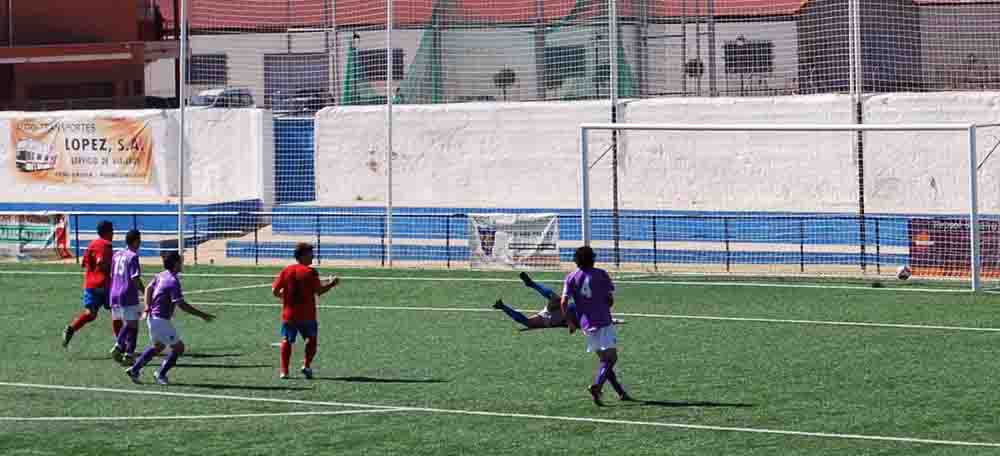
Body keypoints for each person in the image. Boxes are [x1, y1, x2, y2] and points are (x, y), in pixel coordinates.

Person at [125, 251, 215, 385]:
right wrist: (202, 315)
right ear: (175, 264)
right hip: (161, 321)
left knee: (158, 347)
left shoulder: (161, 275)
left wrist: (147, 307)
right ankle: (160, 374)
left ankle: (134, 370)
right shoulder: (173, 281)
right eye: (180, 261)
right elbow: (182, 305)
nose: (182, 264)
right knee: (179, 348)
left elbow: (148, 288)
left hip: (152, 318)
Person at [561, 246, 632, 405]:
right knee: (611, 359)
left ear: (576, 260)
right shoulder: (601, 274)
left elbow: (563, 301)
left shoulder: (570, 277)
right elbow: (610, 299)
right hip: (603, 321)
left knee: (605, 361)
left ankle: (621, 392)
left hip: (586, 324)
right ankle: (597, 386)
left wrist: (570, 322)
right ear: (593, 259)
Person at [271, 242, 339, 379]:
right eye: (310, 253)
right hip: (307, 315)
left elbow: (274, 291)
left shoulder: (287, 270)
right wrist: (332, 284)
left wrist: (286, 297)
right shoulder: (310, 271)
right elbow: (319, 291)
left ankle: (284, 371)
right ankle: (306, 366)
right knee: (311, 340)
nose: (313, 256)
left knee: (287, 340)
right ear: (302, 255)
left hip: (289, 314)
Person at [62, 220, 118, 349]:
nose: (113, 234)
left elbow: (84, 263)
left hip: (91, 285)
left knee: (90, 314)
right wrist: (111, 271)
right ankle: (121, 344)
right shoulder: (105, 245)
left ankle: (71, 328)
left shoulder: (92, 244)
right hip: (104, 285)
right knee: (116, 312)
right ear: (107, 232)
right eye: (112, 231)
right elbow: (100, 262)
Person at [493, 272, 577, 330]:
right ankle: (531, 283)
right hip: (560, 309)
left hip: (552, 319)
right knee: (555, 298)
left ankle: (502, 306)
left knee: (528, 323)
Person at [109, 229, 144, 364]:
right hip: (127, 293)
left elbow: (112, 275)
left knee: (129, 323)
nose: (140, 243)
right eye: (139, 240)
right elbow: (135, 278)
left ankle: (124, 350)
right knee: (133, 324)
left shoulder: (116, 254)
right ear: (135, 241)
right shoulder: (133, 256)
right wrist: (145, 291)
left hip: (114, 293)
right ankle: (124, 351)